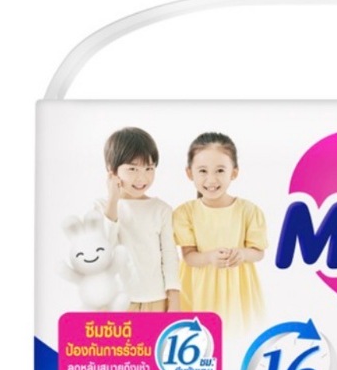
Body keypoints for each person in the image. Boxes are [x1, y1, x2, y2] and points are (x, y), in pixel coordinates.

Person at [172, 132, 267, 330]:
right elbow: (188, 256)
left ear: (234, 172)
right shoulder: (185, 213)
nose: (211, 179)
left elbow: (258, 252)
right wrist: (209, 257)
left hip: (237, 290)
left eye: (220, 170)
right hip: (199, 289)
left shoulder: (249, 211)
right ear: (189, 173)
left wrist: (242, 254)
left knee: (237, 336)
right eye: (203, 171)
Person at [100, 127, 180, 311]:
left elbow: (169, 255)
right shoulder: (103, 208)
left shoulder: (161, 209)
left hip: (157, 299)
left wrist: (174, 299)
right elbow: (104, 249)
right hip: (118, 300)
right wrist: (113, 200)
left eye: (149, 168)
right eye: (132, 169)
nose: (142, 177)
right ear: (112, 170)